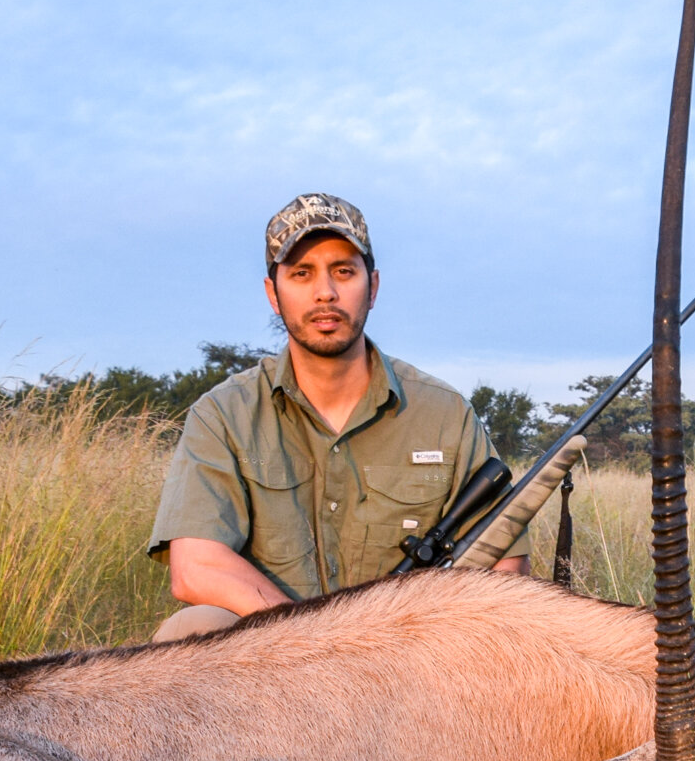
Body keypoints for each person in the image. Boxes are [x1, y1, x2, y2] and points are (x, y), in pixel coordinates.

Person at [148, 192, 528, 641]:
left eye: (343, 271)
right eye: (302, 273)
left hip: (416, 660)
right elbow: (196, 567)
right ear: (273, 293)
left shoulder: (446, 414)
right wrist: (324, 643)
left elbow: (506, 567)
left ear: (374, 286)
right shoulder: (223, 413)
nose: (325, 292)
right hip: (279, 655)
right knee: (191, 631)